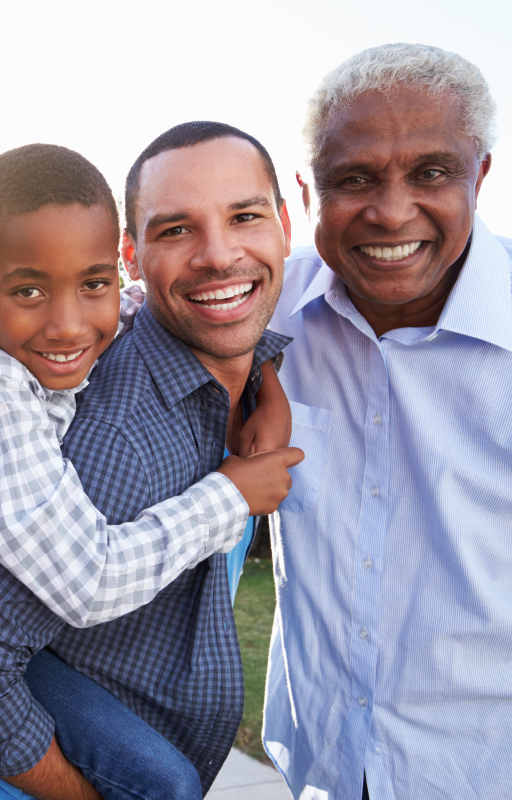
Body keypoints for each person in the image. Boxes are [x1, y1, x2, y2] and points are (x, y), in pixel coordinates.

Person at [0, 139, 299, 799]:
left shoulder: (113, 316)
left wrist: (269, 382)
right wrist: (233, 497)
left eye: (92, 284)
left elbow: (209, 311)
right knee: (161, 784)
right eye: (29, 289)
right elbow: (87, 582)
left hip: (18, 626)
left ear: (117, 268)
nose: (67, 324)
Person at [264, 43, 512, 799]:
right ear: (309, 193)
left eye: (431, 172)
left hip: (477, 769)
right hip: (324, 765)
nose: (392, 211)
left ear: (481, 175)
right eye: (354, 179)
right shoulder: (264, 314)